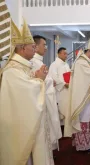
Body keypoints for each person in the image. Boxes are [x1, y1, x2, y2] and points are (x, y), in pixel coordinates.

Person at [0, 20, 54, 165]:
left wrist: (36, 78)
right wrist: (39, 80)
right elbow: (26, 95)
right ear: (23, 48)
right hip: (21, 127)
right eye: (32, 46)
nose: (35, 49)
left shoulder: (22, 66)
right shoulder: (12, 69)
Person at [31, 35, 62, 150]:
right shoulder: (33, 62)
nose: (46, 48)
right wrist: (50, 80)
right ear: (36, 45)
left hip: (49, 96)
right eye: (44, 45)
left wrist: (50, 80)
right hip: (43, 99)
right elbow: (36, 81)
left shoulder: (39, 61)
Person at [48, 47, 70, 124]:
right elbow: (54, 77)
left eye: (66, 54)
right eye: (64, 54)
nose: (66, 55)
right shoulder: (54, 64)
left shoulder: (66, 65)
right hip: (59, 91)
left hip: (67, 90)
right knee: (60, 111)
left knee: (67, 110)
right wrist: (64, 84)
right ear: (59, 54)